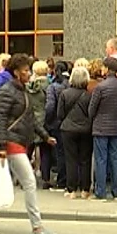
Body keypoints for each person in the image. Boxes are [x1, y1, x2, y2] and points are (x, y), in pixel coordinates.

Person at [0, 54, 58, 234]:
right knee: (29, 182)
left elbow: (30, 118)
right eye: (26, 71)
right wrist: (2, 146)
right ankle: (37, 227)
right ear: (17, 72)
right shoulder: (8, 90)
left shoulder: (21, 90)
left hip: (16, 141)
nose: (29, 74)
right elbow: (0, 119)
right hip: (12, 142)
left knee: (7, 182)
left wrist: (45, 136)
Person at [88, 57, 117, 201]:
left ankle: (101, 191)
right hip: (116, 126)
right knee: (116, 160)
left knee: (101, 160)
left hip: (100, 127)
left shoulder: (100, 87)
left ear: (106, 68)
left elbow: (91, 110)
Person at [56, 66, 92, 199]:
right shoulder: (89, 95)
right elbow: (91, 113)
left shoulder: (65, 94)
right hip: (85, 129)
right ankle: (85, 189)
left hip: (68, 129)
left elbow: (60, 114)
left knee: (70, 159)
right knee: (85, 159)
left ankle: (71, 189)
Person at [26, 60, 53, 189]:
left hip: (30, 120)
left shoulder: (28, 86)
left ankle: (24, 178)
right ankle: (46, 178)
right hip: (45, 120)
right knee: (45, 151)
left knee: (27, 149)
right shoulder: (49, 85)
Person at [44, 61, 69, 191]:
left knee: (59, 153)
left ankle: (62, 180)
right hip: (70, 122)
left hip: (56, 123)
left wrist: (47, 121)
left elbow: (50, 107)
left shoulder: (53, 87)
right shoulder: (71, 84)